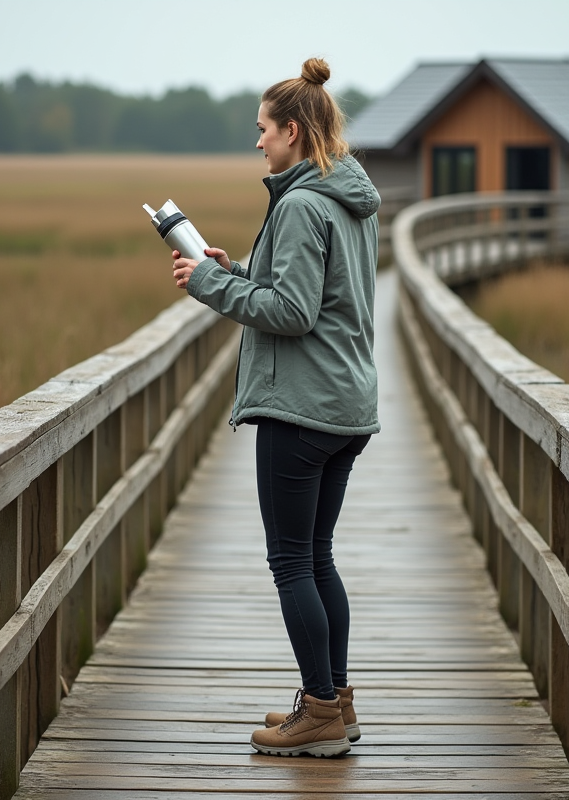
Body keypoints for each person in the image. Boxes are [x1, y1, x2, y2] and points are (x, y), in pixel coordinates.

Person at [170, 57, 380, 759]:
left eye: (262, 129)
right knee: (317, 557)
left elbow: (291, 313)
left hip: (301, 408)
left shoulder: (298, 204)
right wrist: (237, 274)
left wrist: (208, 286)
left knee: (292, 562)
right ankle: (336, 700)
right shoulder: (346, 198)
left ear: (292, 131)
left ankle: (318, 713)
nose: (256, 141)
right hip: (345, 404)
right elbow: (319, 296)